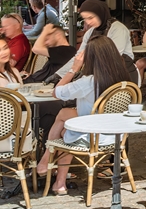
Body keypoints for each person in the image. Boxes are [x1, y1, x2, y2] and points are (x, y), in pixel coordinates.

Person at [35, 36, 130, 195]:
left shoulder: (89, 82)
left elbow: (56, 92)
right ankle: (58, 181)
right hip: (116, 135)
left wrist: (73, 69)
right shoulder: (124, 78)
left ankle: (49, 163)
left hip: (93, 137)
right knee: (65, 119)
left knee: (65, 130)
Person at [54, 0, 134, 78]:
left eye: (90, 18)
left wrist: (85, 75)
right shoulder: (90, 32)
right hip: (98, 75)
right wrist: (59, 74)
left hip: (123, 75)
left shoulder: (118, 29)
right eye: (85, 19)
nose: (88, 22)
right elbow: (79, 56)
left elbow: (112, 57)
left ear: (101, 14)